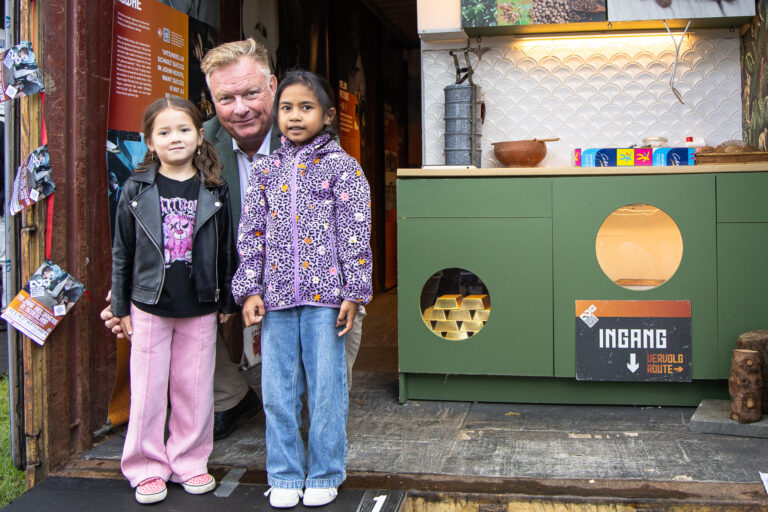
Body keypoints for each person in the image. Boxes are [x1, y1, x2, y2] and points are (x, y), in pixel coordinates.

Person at [100, 38, 366, 441]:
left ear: (274, 87)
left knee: (338, 319)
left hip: (301, 271)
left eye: (251, 93)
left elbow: (344, 226)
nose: (240, 108)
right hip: (221, 268)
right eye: (225, 98)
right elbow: (153, 219)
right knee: (162, 300)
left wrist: (353, 287)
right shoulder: (193, 141)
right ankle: (230, 397)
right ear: (210, 100)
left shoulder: (306, 132)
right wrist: (129, 292)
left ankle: (324, 406)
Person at [233, 70, 372, 509]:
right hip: (275, 300)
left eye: (306, 107)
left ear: (328, 116)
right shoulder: (266, 168)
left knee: (328, 390)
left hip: (326, 301)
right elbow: (251, 230)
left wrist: (354, 291)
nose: (295, 116)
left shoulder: (342, 167)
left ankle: (327, 472)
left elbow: (355, 231)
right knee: (278, 392)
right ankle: (285, 475)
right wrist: (249, 289)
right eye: (287, 108)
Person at [110, 96, 237, 504]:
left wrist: (226, 300)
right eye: (163, 132)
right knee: (147, 389)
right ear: (150, 141)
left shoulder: (215, 189)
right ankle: (146, 466)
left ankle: (189, 461)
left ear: (200, 136)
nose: (175, 138)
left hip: (199, 304)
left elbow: (225, 249)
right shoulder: (135, 189)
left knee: (195, 388)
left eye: (183, 129)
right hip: (149, 306)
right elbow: (122, 252)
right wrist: (119, 307)